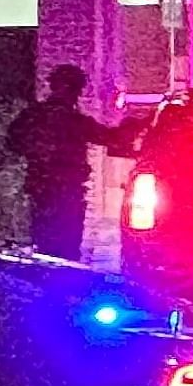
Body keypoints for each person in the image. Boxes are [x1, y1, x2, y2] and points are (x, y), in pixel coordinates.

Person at [9, 64, 117, 261]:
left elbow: (13, 141)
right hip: (66, 192)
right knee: (66, 245)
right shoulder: (72, 120)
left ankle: (45, 280)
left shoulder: (33, 116)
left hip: (42, 191)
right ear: (75, 89)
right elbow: (108, 137)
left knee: (44, 243)